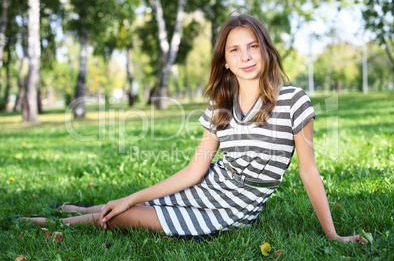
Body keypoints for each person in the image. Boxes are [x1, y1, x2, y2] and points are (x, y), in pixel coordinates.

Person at [20, 14, 364, 243]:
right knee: (135, 205)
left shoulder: (294, 101)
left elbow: (309, 173)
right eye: (235, 50)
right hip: (211, 184)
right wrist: (131, 195)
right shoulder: (220, 105)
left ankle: (51, 223)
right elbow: (195, 170)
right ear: (226, 62)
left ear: (266, 52)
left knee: (129, 218)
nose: (245, 56)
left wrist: (332, 236)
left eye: (253, 46)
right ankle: (81, 209)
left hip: (237, 207)